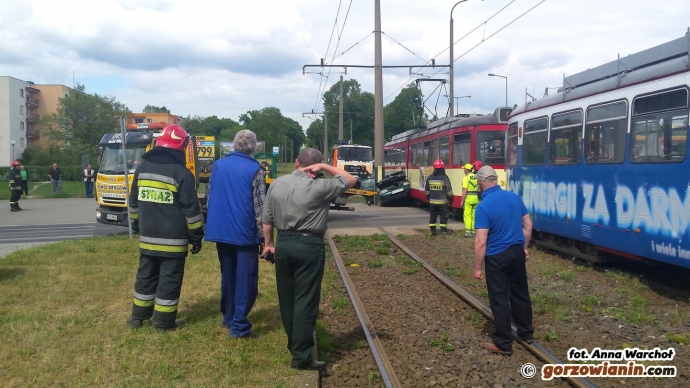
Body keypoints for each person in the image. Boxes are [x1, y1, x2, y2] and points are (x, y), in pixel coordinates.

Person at [262, 148, 356, 370]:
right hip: (308, 245)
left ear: (296, 162)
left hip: (283, 243)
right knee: (305, 300)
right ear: (314, 167)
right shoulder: (320, 186)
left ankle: (294, 345)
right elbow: (350, 179)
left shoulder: (276, 184)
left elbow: (266, 220)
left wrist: (269, 244)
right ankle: (302, 356)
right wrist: (324, 167)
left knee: (287, 299)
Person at [126, 124, 204, 332]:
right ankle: (163, 322)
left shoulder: (142, 168)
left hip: (147, 237)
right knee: (169, 280)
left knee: (145, 276)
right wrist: (196, 237)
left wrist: (136, 224)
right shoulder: (181, 173)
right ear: (182, 146)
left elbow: (133, 202)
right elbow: (192, 212)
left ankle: (137, 317)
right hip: (173, 241)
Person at [205, 130, 265, 339]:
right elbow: (260, 206)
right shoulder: (255, 169)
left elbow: (210, 195)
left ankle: (229, 316)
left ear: (233, 145)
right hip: (244, 232)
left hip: (220, 230)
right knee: (246, 280)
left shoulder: (218, 166)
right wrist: (264, 237)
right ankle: (239, 327)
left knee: (228, 275)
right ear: (254, 148)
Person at [473, 166, 534, 356]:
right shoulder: (514, 198)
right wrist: (524, 247)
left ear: (481, 183)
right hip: (516, 252)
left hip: (497, 256)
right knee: (520, 292)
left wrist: (477, 267)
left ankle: (504, 342)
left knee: (499, 297)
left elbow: (481, 241)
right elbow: (528, 225)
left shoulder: (483, 206)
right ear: (495, 180)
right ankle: (526, 333)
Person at [424, 159, 453, 236]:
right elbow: (449, 191)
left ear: (434, 168)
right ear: (443, 168)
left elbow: (427, 190)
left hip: (432, 202)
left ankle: (433, 232)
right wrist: (451, 200)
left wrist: (429, 198)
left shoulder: (430, 177)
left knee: (433, 216)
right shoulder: (445, 177)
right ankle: (443, 231)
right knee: (444, 216)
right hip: (443, 202)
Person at [461, 161, 482, 237]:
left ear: (466, 170)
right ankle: (473, 232)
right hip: (476, 198)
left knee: (467, 215)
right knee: (474, 216)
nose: (463, 170)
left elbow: (465, 190)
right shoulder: (477, 177)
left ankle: (468, 232)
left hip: (468, 198)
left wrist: (462, 200)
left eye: (464, 169)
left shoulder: (466, 178)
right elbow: (479, 189)